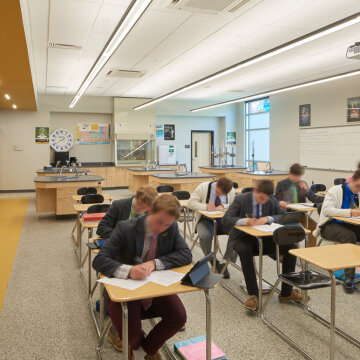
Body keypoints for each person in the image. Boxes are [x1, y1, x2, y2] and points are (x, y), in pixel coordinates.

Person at [93, 195, 192, 360]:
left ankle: (143, 351)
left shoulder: (171, 227)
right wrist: (129, 271)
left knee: (178, 317)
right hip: (125, 289)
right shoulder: (125, 228)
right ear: (150, 211)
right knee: (131, 335)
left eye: (166, 225)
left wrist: (155, 263)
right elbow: (100, 260)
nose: (162, 228)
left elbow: (185, 254)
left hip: (154, 287)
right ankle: (142, 349)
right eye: (159, 222)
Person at [222, 180, 307, 311]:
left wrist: (269, 218)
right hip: (242, 237)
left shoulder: (271, 200)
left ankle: (286, 292)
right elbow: (226, 219)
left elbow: (283, 216)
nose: (263, 201)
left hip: (265, 238)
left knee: (291, 248)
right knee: (245, 250)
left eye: (266, 199)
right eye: (261, 198)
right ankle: (253, 295)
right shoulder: (241, 199)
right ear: (255, 191)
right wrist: (244, 221)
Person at [96, 185, 157, 351]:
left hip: (138, 255)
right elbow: (101, 228)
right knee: (119, 289)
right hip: (117, 253)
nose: (141, 211)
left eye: (145, 209)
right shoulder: (119, 205)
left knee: (145, 282)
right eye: (139, 206)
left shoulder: (150, 211)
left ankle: (139, 314)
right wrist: (122, 234)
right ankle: (115, 328)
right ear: (135, 196)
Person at [314, 170, 360, 293]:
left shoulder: (357, 194)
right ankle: (349, 278)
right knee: (350, 236)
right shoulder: (335, 190)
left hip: (348, 223)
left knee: (353, 233)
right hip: (329, 225)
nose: (358, 189)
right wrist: (349, 212)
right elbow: (327, 211)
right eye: (357, 186)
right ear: (351, 181)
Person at [188, 176, 235, 278]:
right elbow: (190, 203)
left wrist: (223, 206)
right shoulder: (203, 187)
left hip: (223, 221)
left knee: (238, 232)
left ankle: (225, 262)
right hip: (205, 220)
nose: (220, 195)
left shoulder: (231, 191)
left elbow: (234, 205)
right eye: (218, 192)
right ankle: (213, 260)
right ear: (216, 184)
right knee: (205, 236)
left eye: (223, 194)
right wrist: (205, 207)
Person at [275, 163, 318, 247]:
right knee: (291, 230)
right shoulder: (282, 184)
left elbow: (314, 199)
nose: (297, 178)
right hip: (286, 214)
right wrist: (280, 202)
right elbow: (275, 200)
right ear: (290, 173)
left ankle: (310, 249)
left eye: (299, 176)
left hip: (300, 213)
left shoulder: (302, 183)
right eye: (295, 176)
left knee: (313, 225)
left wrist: (307, 189)